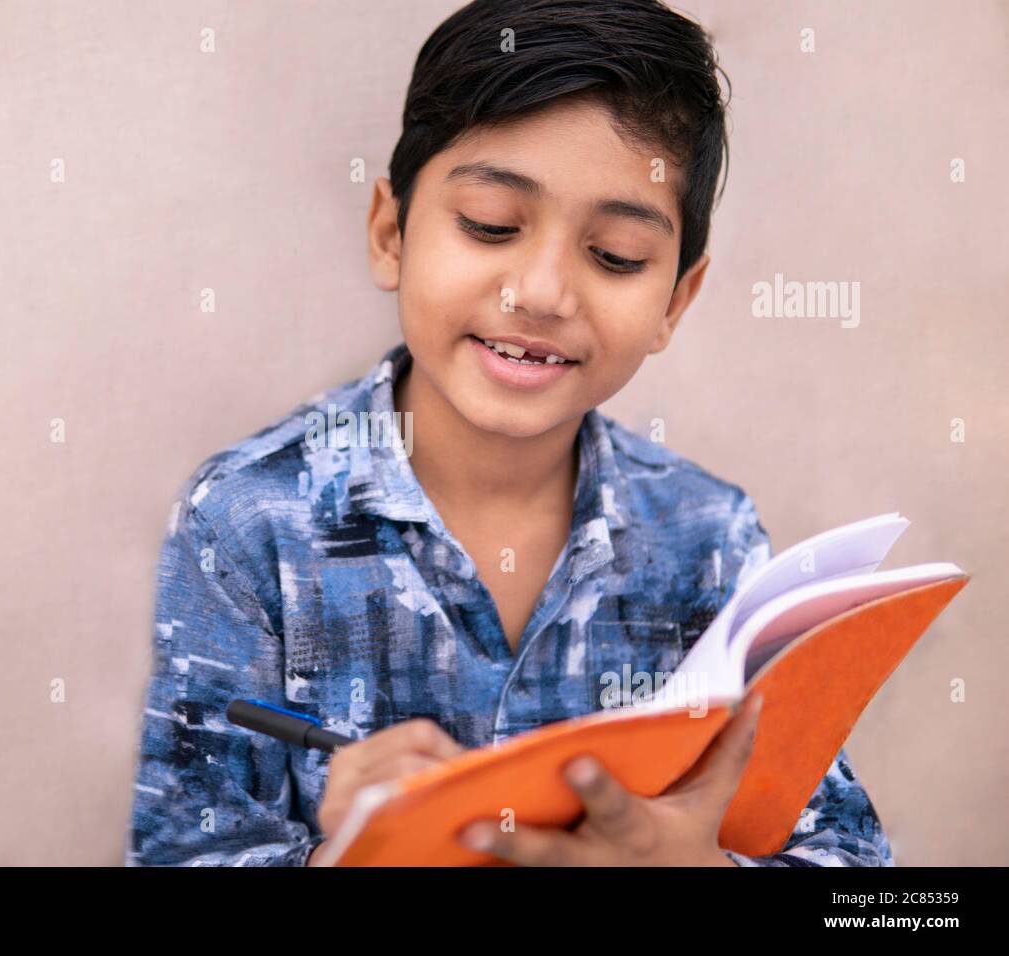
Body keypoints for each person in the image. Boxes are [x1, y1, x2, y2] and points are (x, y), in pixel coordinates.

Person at [127, 0, 893, 867]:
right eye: (491, 224)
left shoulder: (707, 538)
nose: (542, 292)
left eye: (615, 257)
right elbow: (178, 853)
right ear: (390, 232)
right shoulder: (244, 522)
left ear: (674, 301)